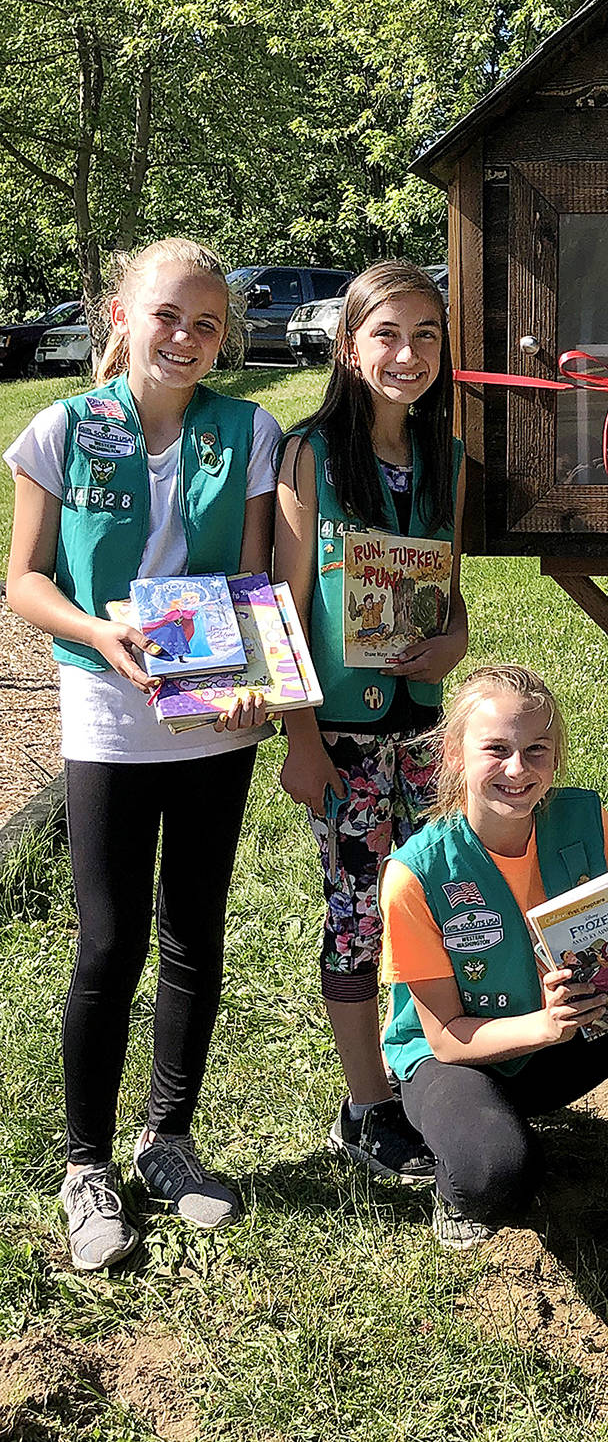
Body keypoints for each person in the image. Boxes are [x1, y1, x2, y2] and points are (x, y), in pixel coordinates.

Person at [5, 237, 280, 1270]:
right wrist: (98, 634)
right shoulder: (61, 430)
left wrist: (263, 676)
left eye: (208, 324)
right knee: (109, 939)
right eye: (169, 314)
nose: (187, 337)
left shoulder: (245, 432)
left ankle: (167, 1138)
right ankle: (86, 1165)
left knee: (194, 931)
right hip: (110, 714)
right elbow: (25, 580)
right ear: (120, 312)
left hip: (215, 715)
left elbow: (253, 580)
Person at [379, 664, 608, 1346]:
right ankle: (460, 1155)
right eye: (495, 748)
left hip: (566, 1031)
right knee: (498, 1174)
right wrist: (546, 1021)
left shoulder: (580, 816)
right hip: (460, 1061)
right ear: (453, 755)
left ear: (555, 756)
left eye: (536, 749)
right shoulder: (416, 873)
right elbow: (445, 1036)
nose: (517, 767)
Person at [274, 261, 468, 1183]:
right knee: (355, 912)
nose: (408, 353)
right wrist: (299, 734)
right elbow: (282, 607)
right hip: (343, 736)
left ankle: (430, 1069)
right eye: (387, 334)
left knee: (427, 899)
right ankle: (364, 1103)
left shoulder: (448, 458)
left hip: (425, 730)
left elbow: (453, 597)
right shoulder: (311, 454)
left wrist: (450, 645)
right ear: (349, 347)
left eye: (426, 333)